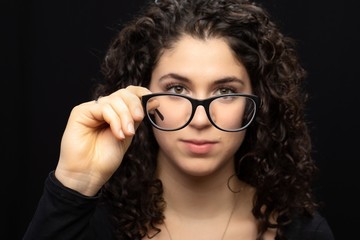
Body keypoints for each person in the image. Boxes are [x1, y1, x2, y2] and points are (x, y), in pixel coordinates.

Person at [23, 0, 335, 239]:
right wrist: (74, 184)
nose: (200, 119)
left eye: (225, 91)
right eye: (176, 88)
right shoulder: (92, 226)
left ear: (258, 102)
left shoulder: (302, 232)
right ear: (142, 97)